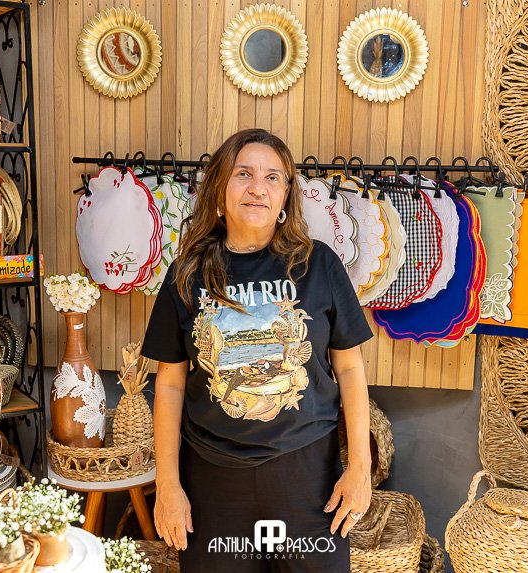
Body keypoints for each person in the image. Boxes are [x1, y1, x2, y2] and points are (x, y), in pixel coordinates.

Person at [141, 128, 374, 572]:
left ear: (285, 195)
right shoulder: (187, 273)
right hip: (212, 478)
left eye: (273, 177)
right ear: (220, 190)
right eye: (243, 173)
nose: (257, 187)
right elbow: (169, 385)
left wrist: (359, 468)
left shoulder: (319, 264)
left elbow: (349, 368)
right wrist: (167, 485)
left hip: (306, 475)